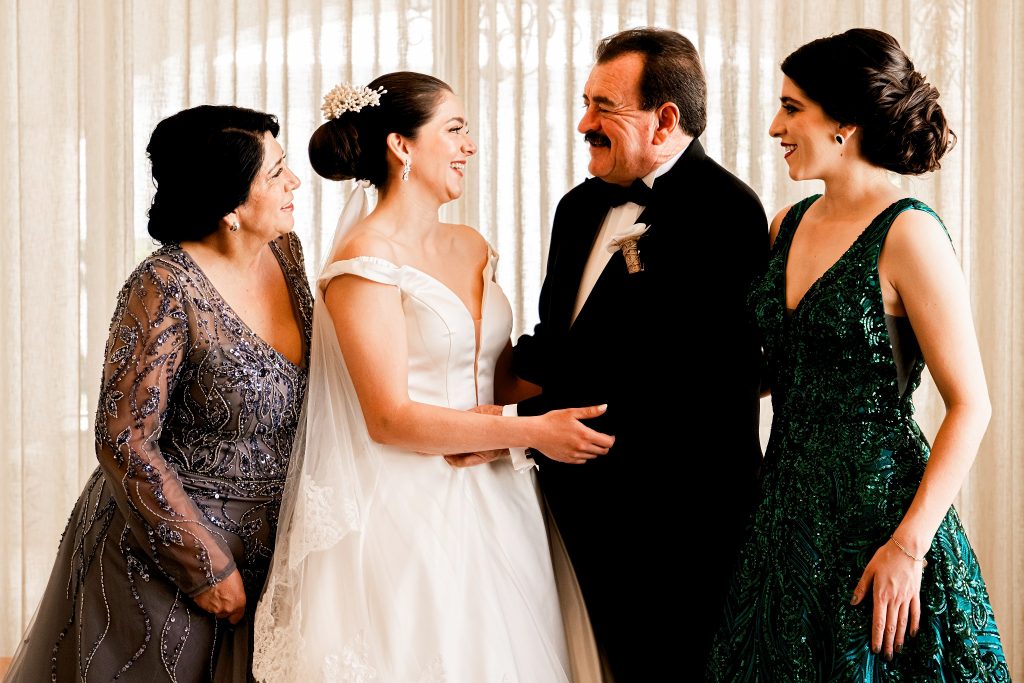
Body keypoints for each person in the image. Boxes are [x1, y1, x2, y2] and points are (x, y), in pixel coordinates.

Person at [252, 72, 614, 683]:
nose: (469, 145)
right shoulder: (364, 263)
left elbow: (499, 377)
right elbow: (389, 418)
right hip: (411, 505)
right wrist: (529, 432)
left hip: (502, 492)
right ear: (402, 146)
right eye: (454, 129)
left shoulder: (473, 245)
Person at [707, 28, 1010, 681]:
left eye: (791, 108)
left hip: (880, 522)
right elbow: (779, 368)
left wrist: (909, 546)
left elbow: (972, 405)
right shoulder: (786, 226)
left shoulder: (909, 233)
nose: (773, 126)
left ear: (844, 120)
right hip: (784, 521)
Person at [499, 27, 769, 679]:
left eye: (603, 108)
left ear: (664, 119)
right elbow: (556, 345)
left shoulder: (728, 212)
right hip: (569, 510)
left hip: (679, 528)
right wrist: (470, 413)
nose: (583, 123)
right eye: (586, 102)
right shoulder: (576, 208)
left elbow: (720, 379)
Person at [5, 105, 310, 681]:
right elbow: (123, 438)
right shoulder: (164, 285)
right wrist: (204, 565)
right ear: (230, 206)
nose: (294, 182)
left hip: (273, 545)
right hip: (164, 555)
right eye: (275, 173)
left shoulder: (285, 254)